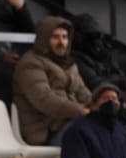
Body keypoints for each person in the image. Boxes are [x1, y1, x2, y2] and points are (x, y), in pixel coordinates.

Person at [13, 16, 92, 145]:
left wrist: (98, 106)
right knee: (89, 132)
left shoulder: (69, 64)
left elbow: (84, 93)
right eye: (55, 37)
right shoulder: (30, 63)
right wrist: (80, 111)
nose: (61, 42)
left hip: (69, 124)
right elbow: (44, 99)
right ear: (44, 39)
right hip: (45, 133)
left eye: (65, 37)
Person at [60, 81, 126, 158]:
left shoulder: (121, 130)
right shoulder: (78, 130)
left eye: (114, 98)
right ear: (93, 105)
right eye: (105, 98)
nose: (111, 102)